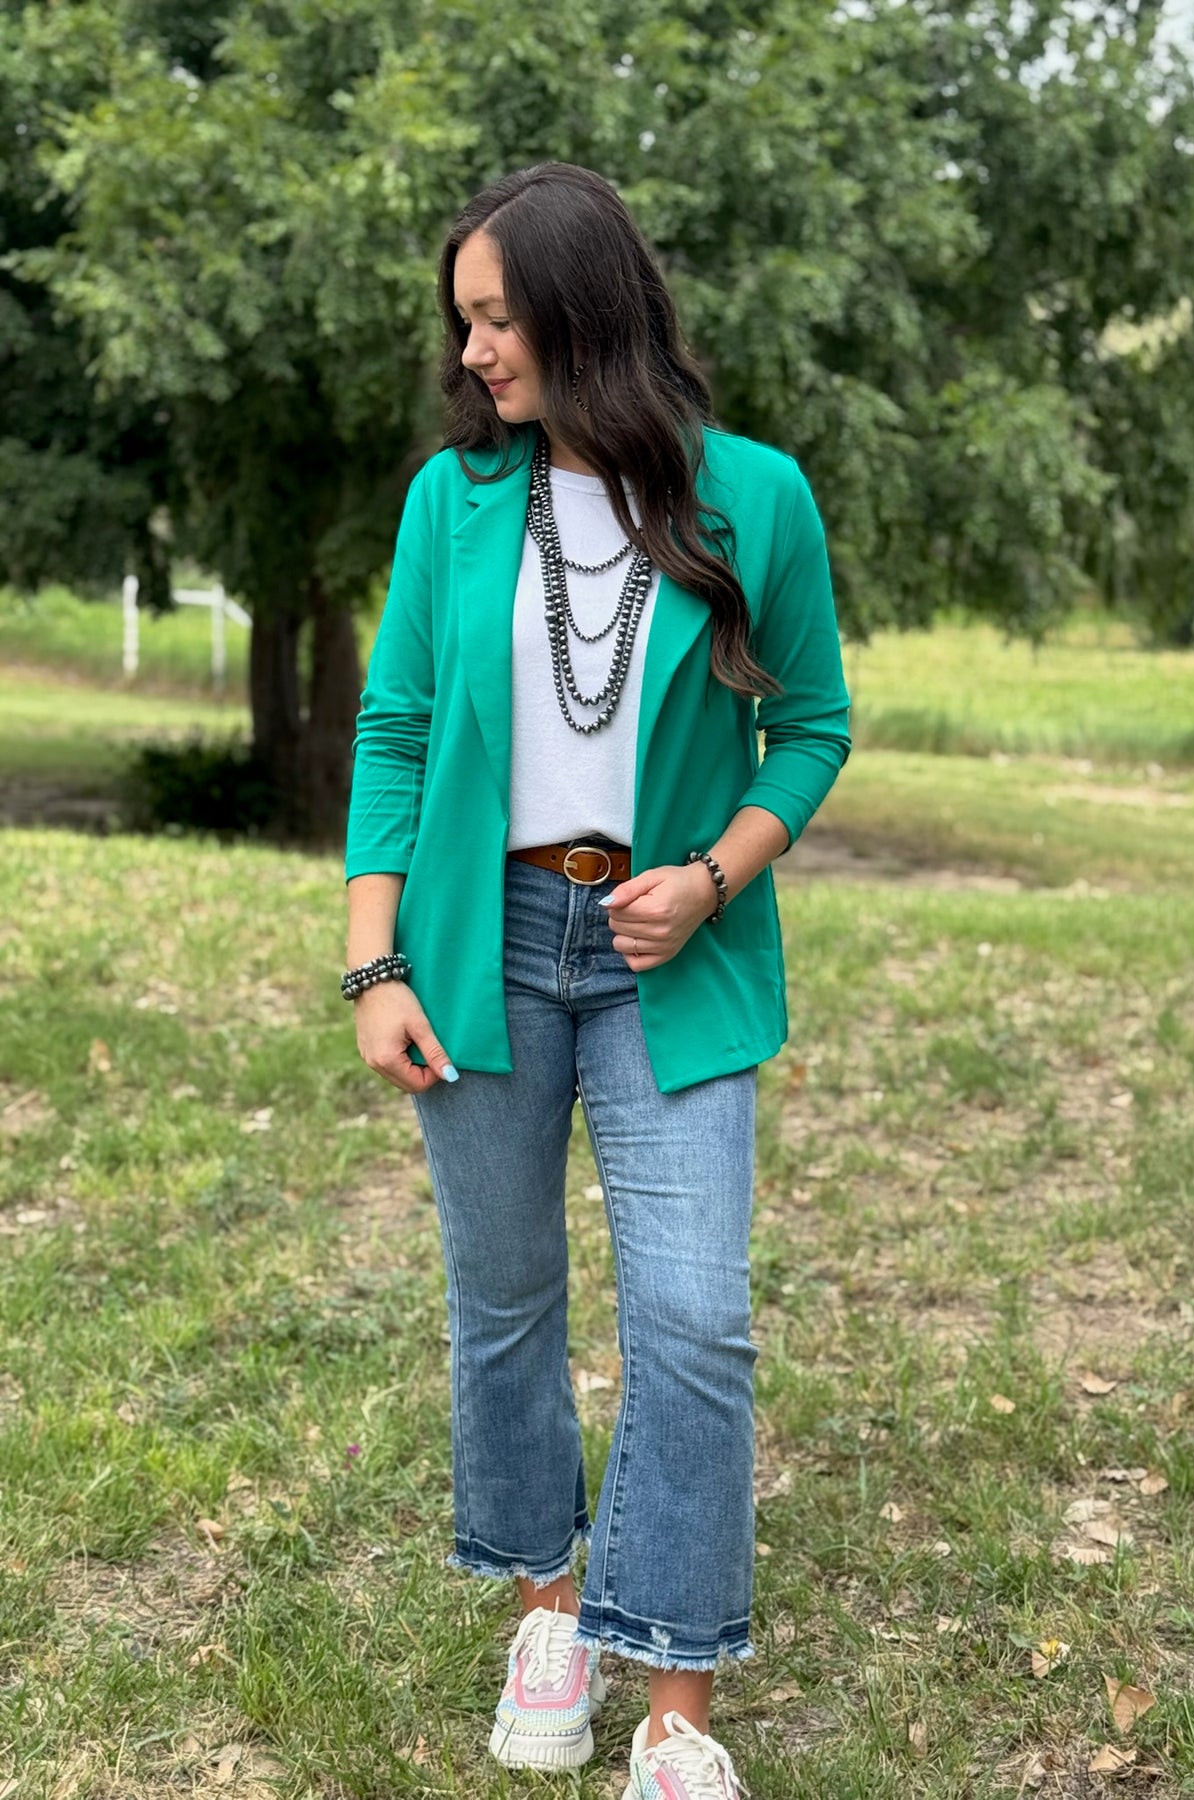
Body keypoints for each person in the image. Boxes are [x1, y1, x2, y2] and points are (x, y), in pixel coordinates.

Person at [343, 161, 849, 1799]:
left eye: (497, 318)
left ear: (582, 310)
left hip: (665, 955)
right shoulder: (451, 500)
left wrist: (709, 880)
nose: (473, 352)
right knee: (503, 1303)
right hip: (479, 947)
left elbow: (812, 729)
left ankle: (677, 1704)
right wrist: (373, 959)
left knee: (694, 1320)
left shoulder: (753, 496)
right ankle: (547, 1621)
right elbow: (398, 728)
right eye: (464, 323)